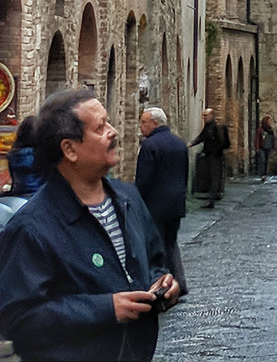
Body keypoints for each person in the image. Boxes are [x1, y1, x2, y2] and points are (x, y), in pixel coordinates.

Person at [0, 88, 177, 362]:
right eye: (100, 127)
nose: (113, 131)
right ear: (69, 149)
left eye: (108, 122)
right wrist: (106, 309)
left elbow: (154, 259)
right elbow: (20, 319)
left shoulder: (129, 199)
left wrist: (162, 283)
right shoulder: (31, 228)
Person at [135, 107, 189, 294]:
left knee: (155, 246)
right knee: (171, 243)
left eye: (143, 122)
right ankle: (179, 283)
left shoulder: (150, 146)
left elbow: (143, 179)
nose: (141, 126)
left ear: (155, 124)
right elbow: (184, 174)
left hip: (155, 206)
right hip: (176, 204)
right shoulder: (180, 144)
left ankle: (161, 286)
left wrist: (138, 202)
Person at [189, 107, 230, 209]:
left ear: (211, 116)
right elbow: (202, 136)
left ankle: (212, 199)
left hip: (215, 156)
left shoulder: (217, 127)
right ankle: (212, 197)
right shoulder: (208, 127)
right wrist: (192, 143)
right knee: (211, 177)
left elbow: (221, 142)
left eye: (205, 115)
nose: (204, 118)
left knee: (215, 177)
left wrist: (215, 151)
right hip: (210, 155)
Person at [8, 114, 42, 197]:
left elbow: (14, 180)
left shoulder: (13, 155)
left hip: (18, 193)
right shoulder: (42, 154)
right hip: (38, 195)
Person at [254, 114, 276, 180]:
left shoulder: (270, 130)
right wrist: (257, 147)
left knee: (266, 161)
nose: (270, 122)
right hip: (262, 147)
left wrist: (274, 147)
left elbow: (273, 139)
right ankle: (262, 174)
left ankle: (265, 173)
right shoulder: (260, 129)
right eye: (269, 121)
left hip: (268, 147)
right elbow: (257, 138)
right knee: (262, 160)